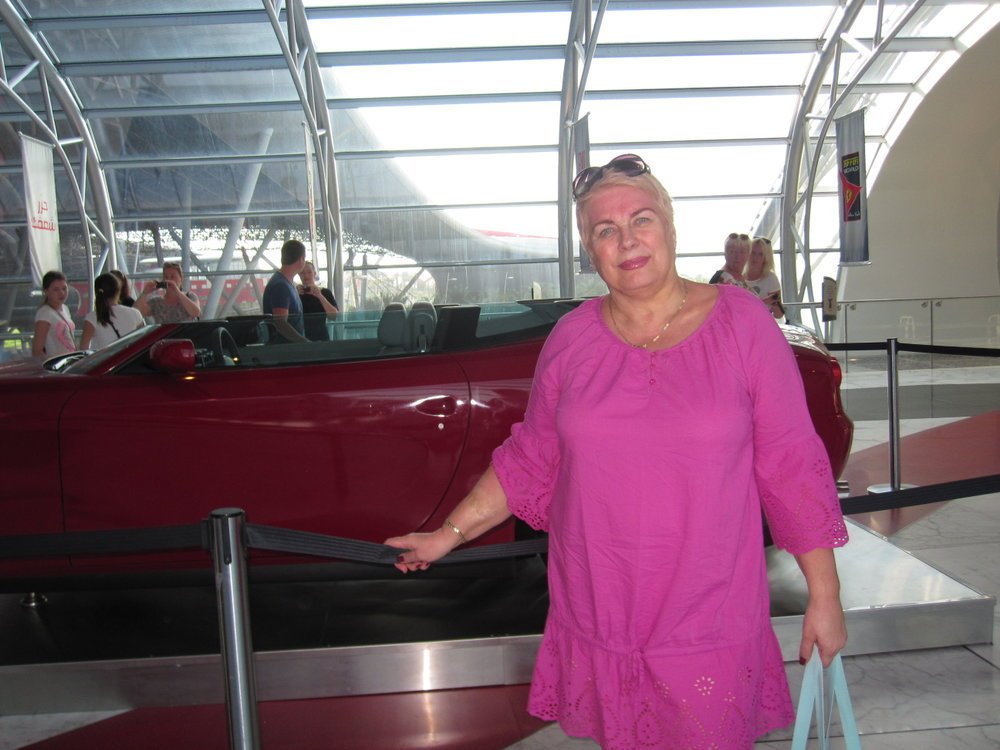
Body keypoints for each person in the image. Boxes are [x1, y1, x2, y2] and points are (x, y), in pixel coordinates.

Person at [385, 154, 848, 749]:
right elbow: (530, 460)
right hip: (600, 608)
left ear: (671, 226)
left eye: (641, 219)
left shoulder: (742, 324)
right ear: (590, 249)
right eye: (605, 229)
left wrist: (825, 597)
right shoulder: (572, 338)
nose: (626, 240)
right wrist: (446, 535)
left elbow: (790, 465)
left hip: (708, 613)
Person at [80, 273, 145, 350]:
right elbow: (144, 340)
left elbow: (83, 349)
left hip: (106, 358)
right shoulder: (135, 313)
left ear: (97, 292)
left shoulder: (92, 318)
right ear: (118, 291)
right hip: (131, 357)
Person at [262, 239, 308, 343]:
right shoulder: (281, 286)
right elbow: (281, 324)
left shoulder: (285, 283)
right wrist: (305, 343)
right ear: (301, 259)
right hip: (285, 348)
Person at [134, 261, 201, 324]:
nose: (169, 280)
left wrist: (177, 291)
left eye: (173, 277)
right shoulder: (156, 302)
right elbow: (135, 314)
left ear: (181, 279)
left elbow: (196, 313)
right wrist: (145, 293)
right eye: (166, 277)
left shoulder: (190, 296)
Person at [31, 270, 76, 358]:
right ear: (46, 291)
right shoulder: (44, 313)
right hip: (57, 363)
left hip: (70, 360)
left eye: (64, 288)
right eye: (56, 289)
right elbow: (37, 351)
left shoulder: (65, 308)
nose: (62, 293)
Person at [297, 260, 339, 341]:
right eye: (302, 273)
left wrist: (320, 296)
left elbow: (334, 316)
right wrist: (296, 294)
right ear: (299, 274)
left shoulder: (325, 292)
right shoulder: (295, 293)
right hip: (301, 337)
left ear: (314, 273)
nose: (306, 275)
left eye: (309, 272)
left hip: (321, 336)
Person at [746, 236, 785, 319]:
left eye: (760, 254)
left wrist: (776, 305)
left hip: (762, 322)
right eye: (753, 253)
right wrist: (765, 301)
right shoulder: (738, 275)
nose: (755, 257)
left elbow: (778, 315)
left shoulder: (771, 278)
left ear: (766, 257)